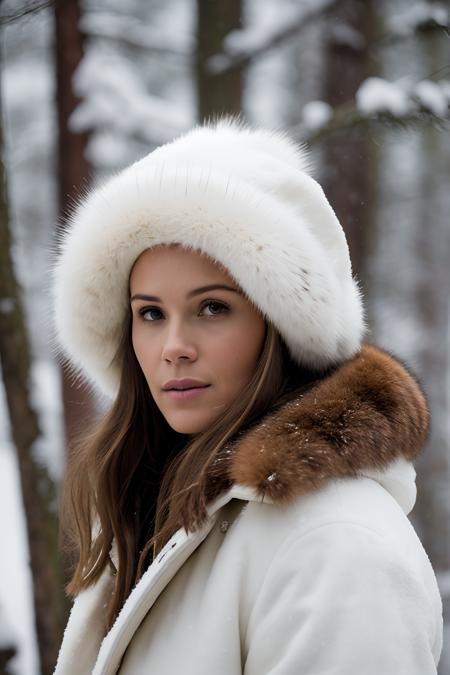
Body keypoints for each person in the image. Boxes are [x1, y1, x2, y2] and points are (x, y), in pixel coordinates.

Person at [51, 118, 443, 674]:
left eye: (213, 307)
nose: (174, 347)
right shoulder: (152, 517)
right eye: (150, 314)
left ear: (280, 325)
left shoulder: (337, 548)